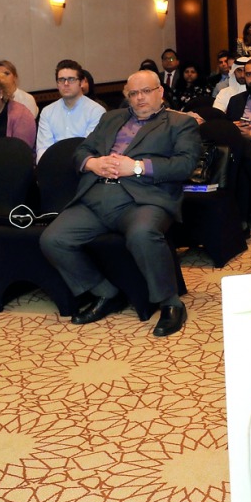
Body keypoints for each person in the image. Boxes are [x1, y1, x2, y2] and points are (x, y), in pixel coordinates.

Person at [39, 69, 201, 338]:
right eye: (134, 93)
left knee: (143, 234)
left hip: (144, 199)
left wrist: (135, 167)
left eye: (146, 91)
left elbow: (184, 166)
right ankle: (105, 292)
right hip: (97, 195)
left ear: (160, 92)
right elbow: (81, 151)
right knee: (53, 239)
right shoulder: (111, 118)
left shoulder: (179, 123)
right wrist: (94, 163)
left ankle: (170, 303)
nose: (140, 98)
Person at [36, 59, 105, 161]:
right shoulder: (47, 112)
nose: (66, 83)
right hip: (54, 167)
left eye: (71, 79)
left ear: (81, 82)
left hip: (83, 167)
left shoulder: (96, 111)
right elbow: (43, 149)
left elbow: (89, 148)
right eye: (61, 80)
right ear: (57, 84)